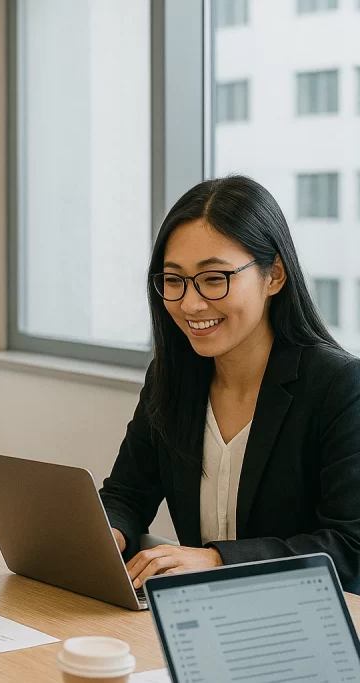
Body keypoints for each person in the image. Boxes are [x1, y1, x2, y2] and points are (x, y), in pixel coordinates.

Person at [99, 175, 360, 592]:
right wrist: (104, 538)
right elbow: (127, 494)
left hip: (304, 626)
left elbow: (350, 549)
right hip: (203, 618)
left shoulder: (340, 386)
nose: (190, 303)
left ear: (274, 275)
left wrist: (218, 560)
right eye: (173, 280)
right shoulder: (172, 379)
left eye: (214, 278)